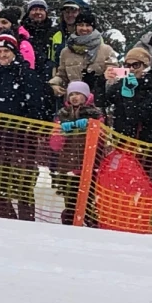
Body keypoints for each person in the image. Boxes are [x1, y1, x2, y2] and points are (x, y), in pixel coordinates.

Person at [0, 33, 47, 220]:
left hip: (22, 139)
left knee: (23, 187)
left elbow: (38, 104)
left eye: (6, 51)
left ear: (14, 53)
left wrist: (32, 127)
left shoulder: (26, 74)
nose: (3, 55)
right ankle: (9, 221)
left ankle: (26, 224)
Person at [96, 45, 152, 194]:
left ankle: (151, 217)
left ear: (146, 66)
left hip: (148, 147)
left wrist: (129, 96)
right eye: (127, 65)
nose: (131, 69)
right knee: (124, 186)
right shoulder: (123, 84)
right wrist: (102, 81)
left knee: (149, 188)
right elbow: (101, 102)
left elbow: (136, 116)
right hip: (124, 143)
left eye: (136, 65)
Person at [48, 81, 104, 226]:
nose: (74, 97)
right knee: (71, 202)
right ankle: (70, 227)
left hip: (90, 166)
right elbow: (54, 145)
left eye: (78, 94)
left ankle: (93, 227)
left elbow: (102, 137)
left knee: (88, 203)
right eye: (71, 94)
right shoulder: (62, 115)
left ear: (86, 96)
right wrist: (61, 133)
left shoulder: (96, 114)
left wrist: (91, 128)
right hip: (68, 166)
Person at [48, 9, 116, 101]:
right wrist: (54, 85)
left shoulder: (106, 50)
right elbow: (62, 75)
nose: (84, 28)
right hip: (73, 102)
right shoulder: (66, 51)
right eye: (80, 25)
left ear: (93, 28)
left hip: (98, 101)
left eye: (87, 25)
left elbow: (114, 75)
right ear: (76, 27)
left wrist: (101, 79)